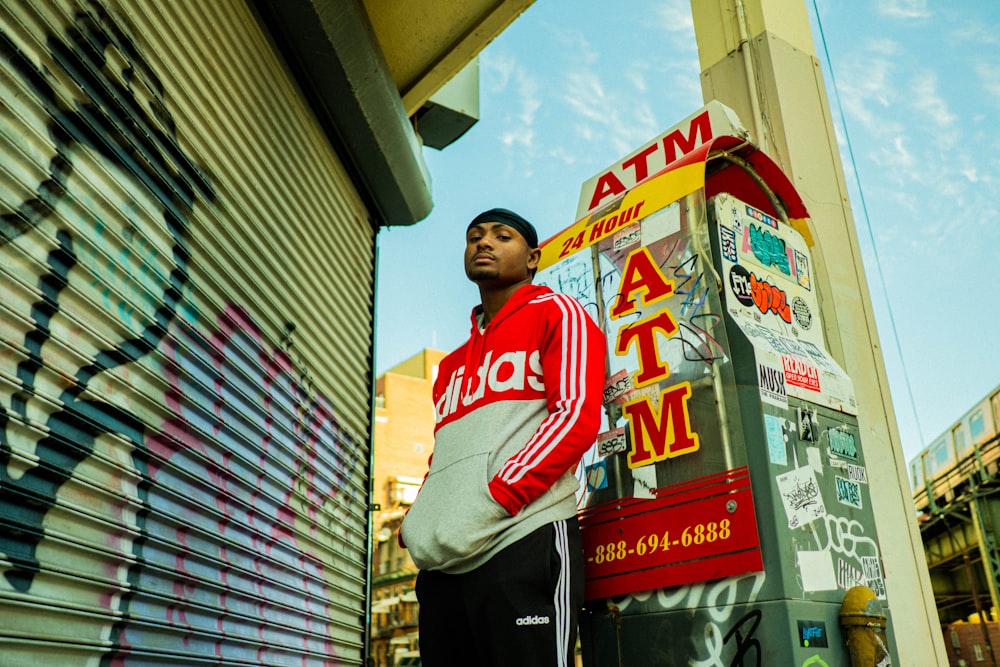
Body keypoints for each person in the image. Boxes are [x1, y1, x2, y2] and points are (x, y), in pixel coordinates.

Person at [400, 208, 607, 667]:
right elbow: (444, 454)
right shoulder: (451, 366)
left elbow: (574, 418)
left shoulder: (558, 314)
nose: (484, 243)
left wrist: (496, 498)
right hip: (445, 565)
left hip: (523, 539)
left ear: (532, 257)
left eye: (501, 235)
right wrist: (419, 520)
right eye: (474, 236)